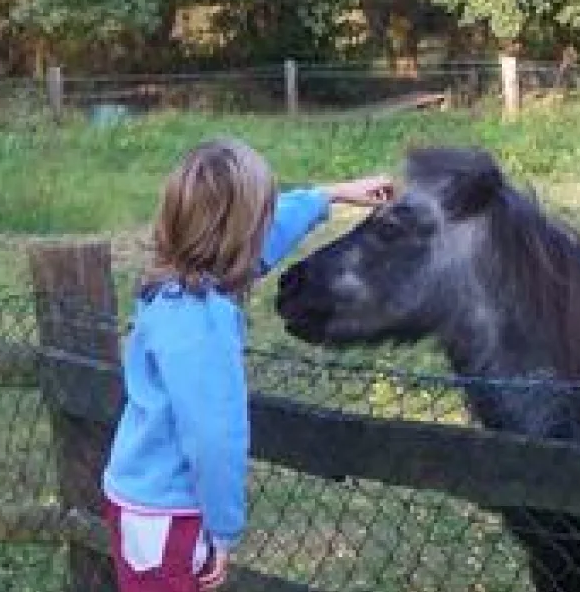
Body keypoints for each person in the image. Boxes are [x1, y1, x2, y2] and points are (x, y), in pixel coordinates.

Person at [100, 137, 394, 591]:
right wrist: (223, 529)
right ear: (242, 236)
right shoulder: (200, 324)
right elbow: (213, 436)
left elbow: (258, 242)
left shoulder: (174, 282)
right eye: (262, 219)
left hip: (141, 501)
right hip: (171, 519)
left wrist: (330, 195)